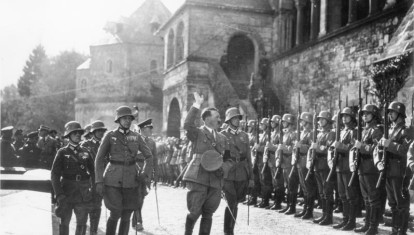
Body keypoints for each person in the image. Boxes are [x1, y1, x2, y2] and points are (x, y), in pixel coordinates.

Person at [95, 106, 153, 235]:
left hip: (132, 179)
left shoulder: (136, 137)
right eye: (124, 118)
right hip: (112, 180)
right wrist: (99, 181)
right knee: (115, 212)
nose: (127, 121)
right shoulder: (110, 136)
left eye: (129, 119)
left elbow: (149, 156)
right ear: (118, 120)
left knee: (127, 213)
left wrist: (144, 173)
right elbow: (99, 159)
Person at [183, 92, 229, 235]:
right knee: (194, 211)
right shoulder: (197, 133)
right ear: (207, 118)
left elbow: (228, 158)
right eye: (217, 117)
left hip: (215, 179)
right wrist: (196, 105)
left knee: (208, 213)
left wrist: (224, 169)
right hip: (199, 177)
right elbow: (187, 124)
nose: (220, 120)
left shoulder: (222, 138)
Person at [51, 121, 94, 235]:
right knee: (64, 223)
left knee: (82, 223)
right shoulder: (62, 152)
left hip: (82, 193)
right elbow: (54, 175)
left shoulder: (86, 152)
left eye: (79, 133)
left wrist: (93, 189)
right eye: (74, 133)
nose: (77, 135)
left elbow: (93, 172)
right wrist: (59, 194)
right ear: (68, 135)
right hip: (67, 193)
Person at [374, 101, 411, 235]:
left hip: (400, 170)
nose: (390, 114)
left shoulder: (406, 130)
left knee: (401, 203)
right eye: (389, 112)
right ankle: (395, 229)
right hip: (388, 169)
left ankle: (402, 231)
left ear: (400, 114)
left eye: (392, 112)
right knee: (392, 202)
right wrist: (379, 161)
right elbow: (379, 148)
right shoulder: (389, 129)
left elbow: (405, 150)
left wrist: (390, 144)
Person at [220, 107, 253, 235]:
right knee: (231, 202)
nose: (237, 120)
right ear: (228, 120)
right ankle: (227, 231)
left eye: (238, 118)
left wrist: (251, 177)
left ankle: (231, 229)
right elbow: (220, 156)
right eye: (234, 118)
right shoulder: (222, 134)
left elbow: (249, 158)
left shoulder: (244, 135)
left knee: (236, 203)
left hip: (242, 173)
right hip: (228, 173)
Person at [351, 104, 383, 234]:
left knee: (373, 198)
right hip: (362, 167)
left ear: (374, 115)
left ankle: (373, 226)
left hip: (371, 168)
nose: (364, 116)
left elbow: (376, 150)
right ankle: (367, 224)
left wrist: (362, 146)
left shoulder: (376, 130)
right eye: (363, 114)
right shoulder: (364, 130)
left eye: (367, 114)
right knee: (366, 198)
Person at [329, 107, 358, 230]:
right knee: (342, 195)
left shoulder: (354, 132)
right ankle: (345, 219)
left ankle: (351, 221)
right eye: (343, 116)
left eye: (347, 116)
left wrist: (338, 146)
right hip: (339, 166)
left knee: (350, 195)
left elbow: (351, 148)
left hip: (348, 166)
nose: (344, 118)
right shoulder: (341, 131)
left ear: (352, 118)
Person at [80, 120, 107, 235]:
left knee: (98, 206)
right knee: (87, 206)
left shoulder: (106, 144)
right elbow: (82, 163)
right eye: (98, 131)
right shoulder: (86, 145)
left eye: (102, 131)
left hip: (101, 180)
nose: (101, 133)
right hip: (89, 180)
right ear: (93, 132)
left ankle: (93, 231)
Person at [309, 111, 335, 225]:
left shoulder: (331, 133)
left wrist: (317, 147)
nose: (320, 121)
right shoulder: (319, 133)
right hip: (317, 165)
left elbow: (329, 148)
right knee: (322, 192)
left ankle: (328, 217)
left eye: (323, 119)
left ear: (328, 121)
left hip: (325, 165)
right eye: (319, 119)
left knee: (327, 191)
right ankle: (324, 214)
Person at [132, 118, 158, 231]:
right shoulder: (133, 140)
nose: (151, 130)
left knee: (142, 197)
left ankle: (135, 220)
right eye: (149, 128)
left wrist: (155, 176)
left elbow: (155, 160)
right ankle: (138, 221)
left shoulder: (151, 142)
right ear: (142, 129)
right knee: (136, 196)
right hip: (134, 171)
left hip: (146, 173)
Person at [293, 112, 317, 219]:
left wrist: (300, 146)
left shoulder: (311, 133)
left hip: (306, 161)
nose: (301, 123)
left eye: (302, 120)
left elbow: (311, 149)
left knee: (308, 187)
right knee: (304, 187)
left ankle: (309, 211)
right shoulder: (302, 133)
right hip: (299, 161)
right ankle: (305, 209)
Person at [252, 118, 272, 208]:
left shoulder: (268, 135)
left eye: (262, 124)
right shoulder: (263, 134)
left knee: (265, 181)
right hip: (259, 159)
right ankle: (263, 199)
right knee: (260, 180)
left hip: (264, 159)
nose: (260, 125)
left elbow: (267, 148)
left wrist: (258, 148)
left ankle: (265, 200)